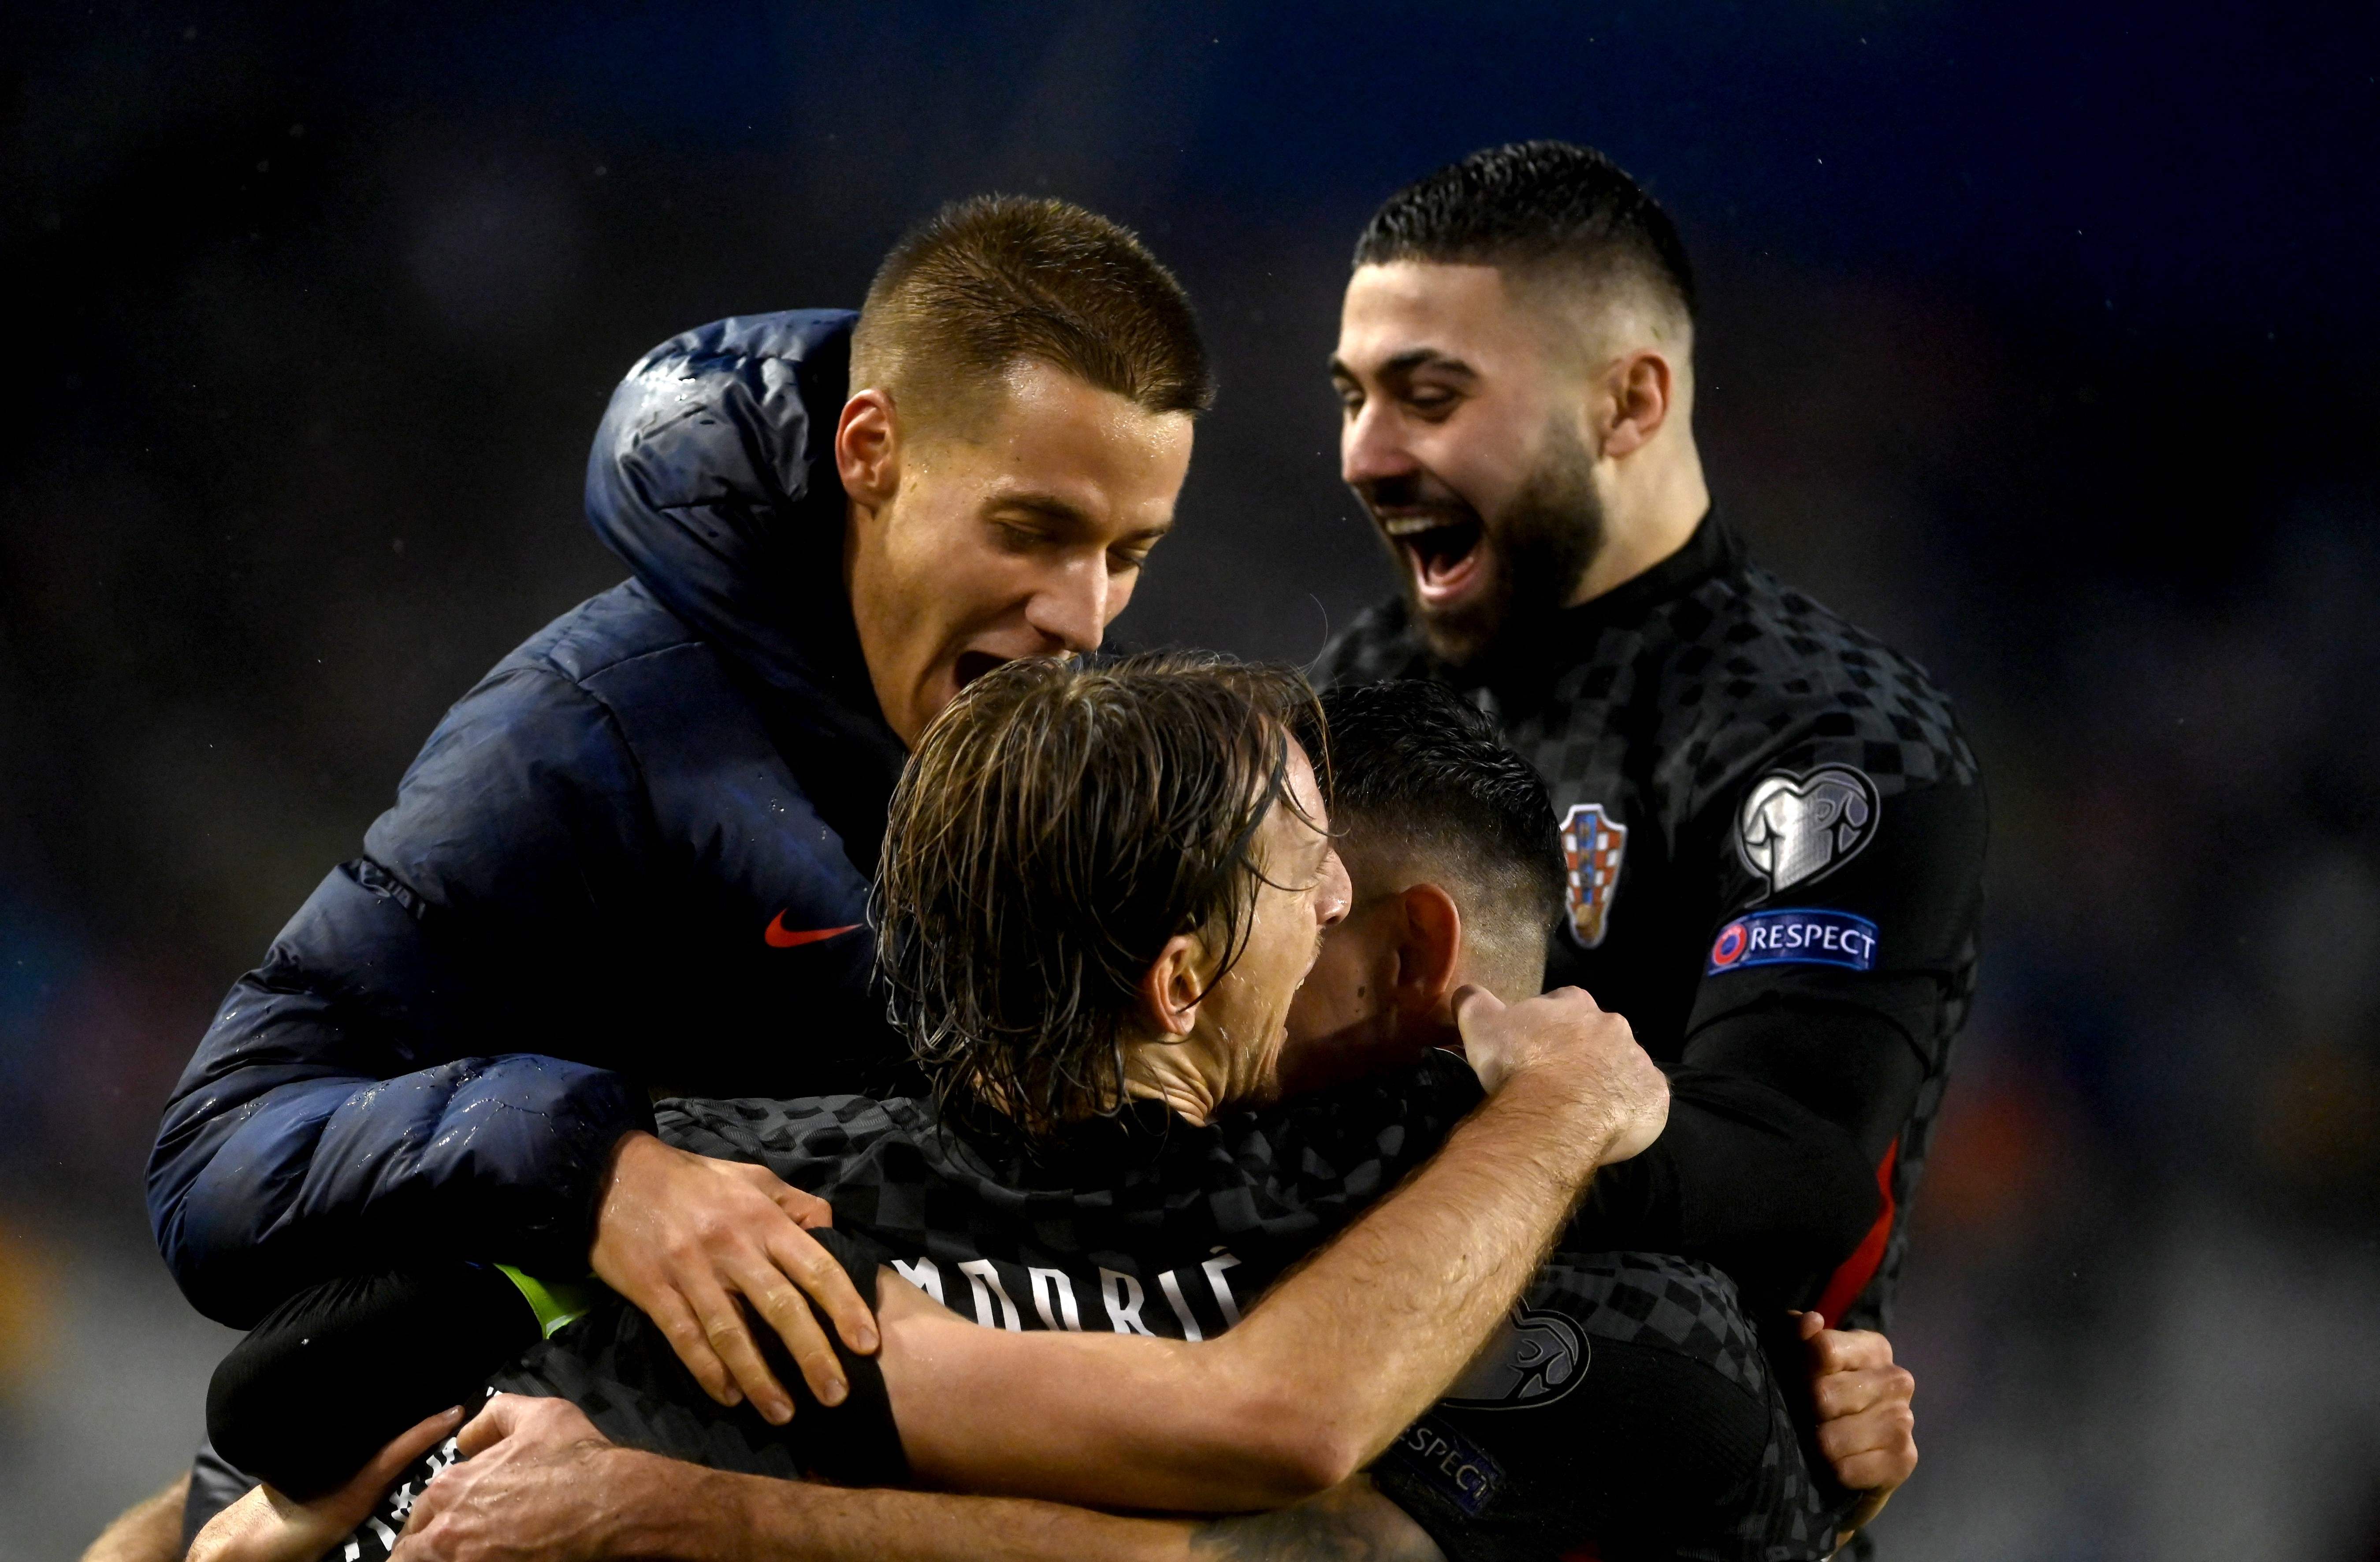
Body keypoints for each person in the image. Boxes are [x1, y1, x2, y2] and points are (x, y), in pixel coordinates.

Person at [194, 663, 1916, 1562]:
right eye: (1302, 860)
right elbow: (1302, 1477)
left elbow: (254, 1463)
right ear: (1180, 981)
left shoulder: (712, 1208)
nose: (1325, 898)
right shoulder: (1543, 1304)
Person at [142, 194, 1213, 1539]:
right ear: (872, 451)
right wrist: (595, 1173)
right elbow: (213, 1162)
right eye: (1033, 530)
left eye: (1128, 555)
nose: (1084, 616)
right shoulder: (588, 734)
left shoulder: (1042, 786)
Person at [1316, 142, 1988, 1337]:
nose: (1363, 455)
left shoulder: (1838, 742)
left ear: (1629, 403)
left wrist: (1391, 1159)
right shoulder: (1351, 693)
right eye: (1353, 397)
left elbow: (1790, 1184)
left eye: (1429, 397)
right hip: (1342, 1409)